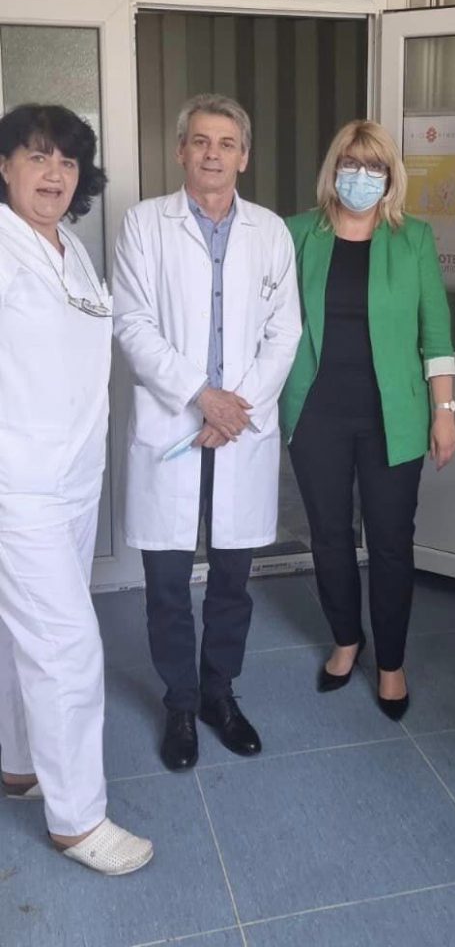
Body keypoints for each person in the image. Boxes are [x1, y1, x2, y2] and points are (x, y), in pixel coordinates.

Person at [113, 94, 301, 771]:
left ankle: (219, 693)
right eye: (200, 141)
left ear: (244, 157)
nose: (212, 154)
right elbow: (132, 323)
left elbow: (285, 332)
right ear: (180, 151)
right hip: (176, 423)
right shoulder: (143, 225)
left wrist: (234, 410)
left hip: (238, 431)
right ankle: (180, 703)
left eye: (226, 143)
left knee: (231, 581)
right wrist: (202, 397)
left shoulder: (270, 231)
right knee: (166, 581)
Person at [0, 104, 153, 874]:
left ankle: (19, 765)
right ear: (5, 166)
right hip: (18, 482)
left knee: (20, 635)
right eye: (36, 156)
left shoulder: (70, 250)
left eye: (67, 161)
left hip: (73, 477)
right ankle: (76, 821)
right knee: (65, 644)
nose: (54, 173)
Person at [280, 119, 455, 720]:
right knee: (329, 535)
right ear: (333, 170)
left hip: (394, 415)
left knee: (390, 542)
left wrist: (444, 412)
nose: (362, 176)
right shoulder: (297, 234)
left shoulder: (414, 239)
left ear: (390, 175)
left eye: (374, 166)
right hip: (317, 413)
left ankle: (391, 662)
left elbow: (436, 334)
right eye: (351, 164)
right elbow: (270, 323)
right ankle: (345, 639)